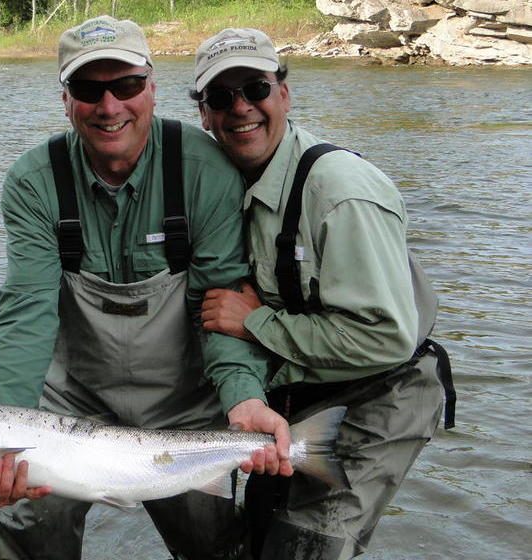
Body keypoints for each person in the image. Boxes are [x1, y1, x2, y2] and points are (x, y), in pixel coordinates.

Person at [0, 16, 289, 560]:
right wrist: (4, 435)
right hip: (67, 405)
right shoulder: (33, 181)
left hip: (183, 406)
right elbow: (26, 311)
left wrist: (244, 398)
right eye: (89, 89)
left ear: (152, 88)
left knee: (215, 546)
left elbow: (220, 305)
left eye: (127, 85)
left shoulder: (205, 170)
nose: (110, 107)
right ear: (66, 100)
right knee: (30, 542)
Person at [193, 28, 452, 560]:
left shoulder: (341, 191)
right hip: (299, 397)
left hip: (383, 392)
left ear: (284, 94)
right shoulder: (221, 181)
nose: (241, 108)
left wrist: (254, 323)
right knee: (255, 543)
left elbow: (385, 339)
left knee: (307, 549)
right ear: (204, 114)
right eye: (221, 97)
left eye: (257, 89)